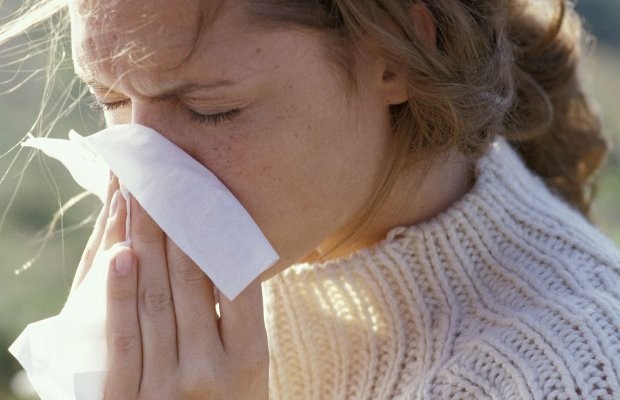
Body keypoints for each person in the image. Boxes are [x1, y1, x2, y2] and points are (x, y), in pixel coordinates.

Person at [3, 0, 620, 399]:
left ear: (397, 53)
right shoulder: (209, 312)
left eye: (210, 110)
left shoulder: (567, 374)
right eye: (110, 102)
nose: (143, 172)